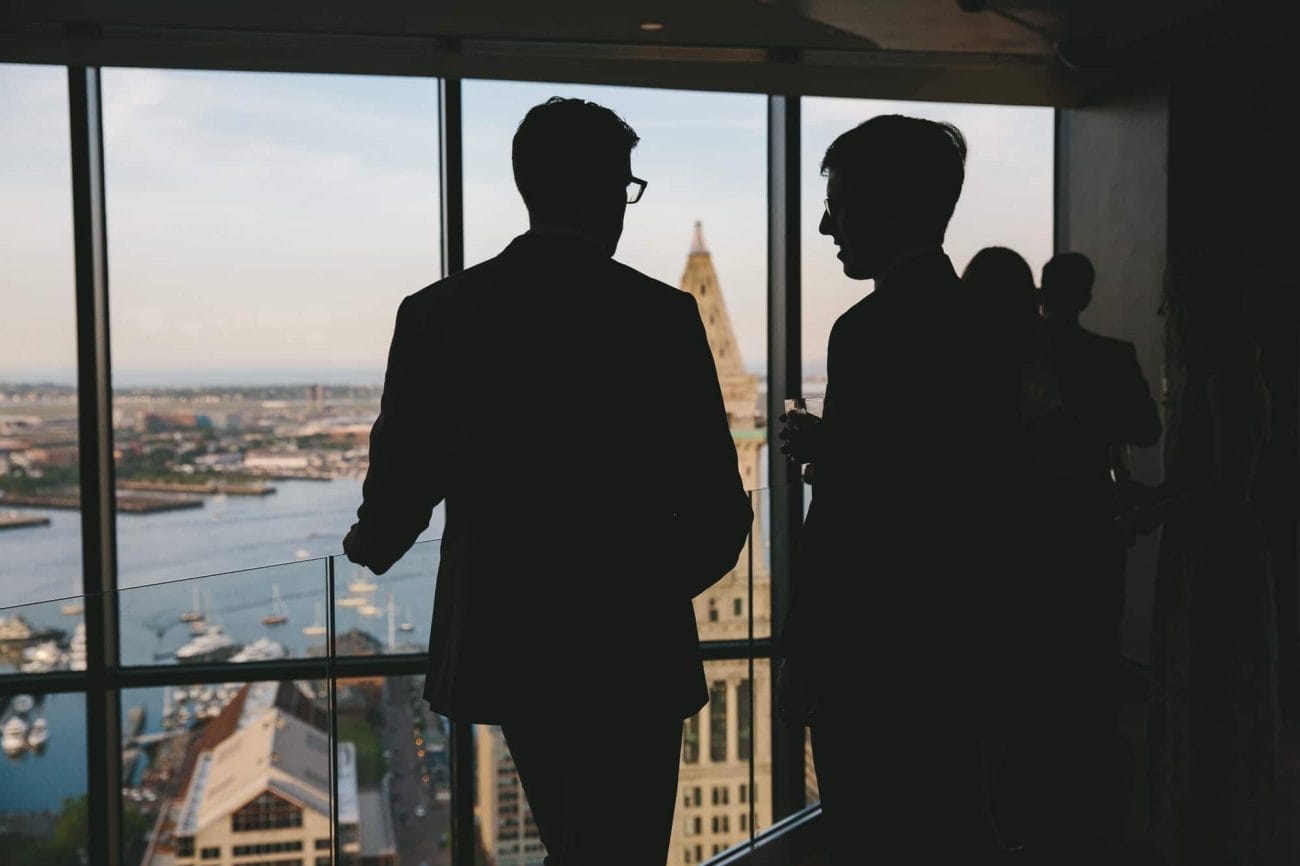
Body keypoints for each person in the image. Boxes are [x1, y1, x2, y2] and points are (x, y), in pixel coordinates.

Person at [342, 97, 752, 866]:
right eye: (627, 188)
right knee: (620, 843)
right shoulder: (661, 317)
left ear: (528, 184)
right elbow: (719, 513)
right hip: (633, 651)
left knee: (571, 833)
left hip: (511, 638)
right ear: (605, 191)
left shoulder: (438, 314)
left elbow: (399, 488)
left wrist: (369, 544)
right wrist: (640, 590)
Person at [777, 115, 1017, 863]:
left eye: (842, 205)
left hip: (874, 653)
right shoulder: (986, 323)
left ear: (897, 208)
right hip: (957, 640)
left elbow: (859, 519)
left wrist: (805, 649)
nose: (825, 224)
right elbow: (957, 477)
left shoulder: (868, 329)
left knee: (872, 827)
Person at [1135, 251, 1278, 866]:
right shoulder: (1219, 377)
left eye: (1174, 303)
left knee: (1208, 688)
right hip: (1205, 551)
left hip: (1216, 560)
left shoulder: (1225, 382)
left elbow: (1227, 489)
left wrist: (1152, 510)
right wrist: (1152, 501)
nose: (1167, 316)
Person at [1027, 252, 1162, 859]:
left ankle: (1044, 764)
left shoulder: (1022, 356)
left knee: (1041, 637)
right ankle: (1092, 758)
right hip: (1094, 516)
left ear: (1040, 293)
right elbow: (1145, 430)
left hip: (1032, 523)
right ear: (1086, 296)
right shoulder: (1112, 357)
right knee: (1096, 635)